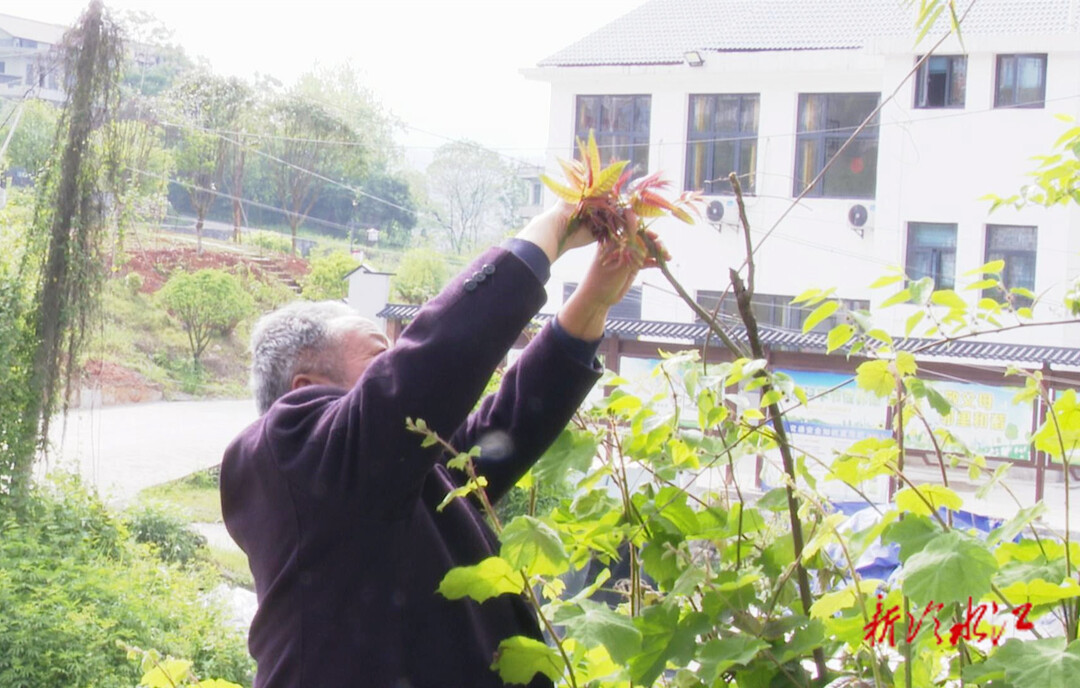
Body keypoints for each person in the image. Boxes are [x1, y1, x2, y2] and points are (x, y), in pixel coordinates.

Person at [220, 202, 662, 687]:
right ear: (305, 389)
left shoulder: (386, 478)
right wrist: (548, 231)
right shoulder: (284, 449)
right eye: (379, 355)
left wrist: (594, 301)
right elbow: (426, 366)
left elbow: (501, 432)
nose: (394, 364)